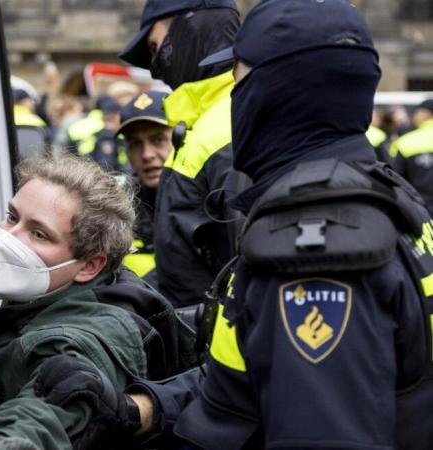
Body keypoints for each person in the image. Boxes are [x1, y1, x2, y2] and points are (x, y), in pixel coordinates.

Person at [34, 1, 433, 449]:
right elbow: (254, 372)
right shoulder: (377, 193)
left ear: (274, 91)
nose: (233, 99)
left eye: (238, 81)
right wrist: (140, 410)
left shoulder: (314, 244)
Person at [0, 156, 190, 450]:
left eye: (38, 234)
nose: (8, 238)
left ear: (89, 266)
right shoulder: (44, 296)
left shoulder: (73, 339)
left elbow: (57, 401)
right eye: (12, 217)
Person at [119, 0, 243, 307]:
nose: (156, 65)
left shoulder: (230, 126)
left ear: (189, 27)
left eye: (154, 46)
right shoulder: (204, 125)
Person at [117, 90, 173, 288]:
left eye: (157, 139)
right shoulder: (116, 209)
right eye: (135, 144)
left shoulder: (206, 200)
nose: (147, 154)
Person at [390, 98, 433, 214]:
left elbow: (395, 180)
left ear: (426, 114)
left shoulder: (405, 142)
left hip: (420, 215)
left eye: (416, 113)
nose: (414, 117)